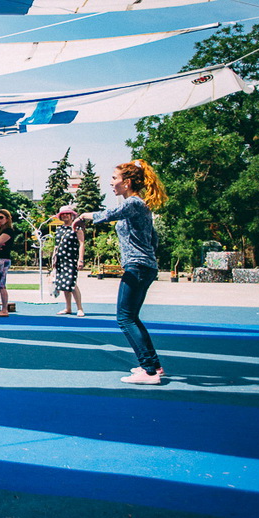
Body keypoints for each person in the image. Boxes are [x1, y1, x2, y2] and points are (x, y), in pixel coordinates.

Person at [77, 159, 168, 385]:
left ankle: (149, 372)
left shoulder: (134, 203)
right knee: (132, 317)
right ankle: (153, 364)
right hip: (142, 265)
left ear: (126, 183)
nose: (111, 182)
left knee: (124, 317)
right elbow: (153, 239)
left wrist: (85, 215)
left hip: (138, 266)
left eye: (114, 178)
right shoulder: (140, 206)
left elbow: (109, 214)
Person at [52, 205, 86, 317]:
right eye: (63, 214)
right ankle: (68, 307)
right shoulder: (59, 229)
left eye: (67, 213)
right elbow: (56, 245)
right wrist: (54, 258)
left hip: (71, 258)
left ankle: (80, 308)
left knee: (72, 283)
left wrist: (80, 260)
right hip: (60, 259)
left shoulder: (76, 228)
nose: (65, 215)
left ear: (72, 215)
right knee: (64, 283)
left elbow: (81, 243)